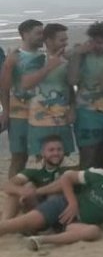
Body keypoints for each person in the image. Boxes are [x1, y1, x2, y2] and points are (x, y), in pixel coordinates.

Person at [0, 150, 103, 252]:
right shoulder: (100, 175)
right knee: (17, 224)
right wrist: (72, 203)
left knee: (94, 231)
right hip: (63, 207)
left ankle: (41, 240)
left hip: (78, 223)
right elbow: (67, 177)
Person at [68, 21, 103, 169]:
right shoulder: (81, 56)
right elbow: (73, 79)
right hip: (86, 113)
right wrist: (77, 54)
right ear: (90, 41)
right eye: (97, 42)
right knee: (88, 155)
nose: (101, 46)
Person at [23, 23, 75, 159]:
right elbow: (26, 84)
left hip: (62, 119)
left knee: (62, 159)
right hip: (40, 121)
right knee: (42, 161)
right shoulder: (37, 59)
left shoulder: (67, 61)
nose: (66, 43)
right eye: (62, 40)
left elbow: (70, 86)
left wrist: (73, 109)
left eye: (66, 40)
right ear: (49, 41)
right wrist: (50, 66)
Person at [1, 19, 44, 178]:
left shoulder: (44, 58)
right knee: (19, 156)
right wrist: (5, 111)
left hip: (41, 113)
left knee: (45, 155)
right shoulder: (14, 57)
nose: (42, 37)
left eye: (43, 33)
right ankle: (12, 196)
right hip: (18, 114)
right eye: (38, 33)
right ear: (25, 34)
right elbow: (4, 87)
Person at [1, 134, 67, 220]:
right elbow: (7, 185)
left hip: (57, 212)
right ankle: (4, 224)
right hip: (35, 210)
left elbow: (60, 185)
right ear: (42, 153)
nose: (56, 153)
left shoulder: (68, 169)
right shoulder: (35, 169)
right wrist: (22, 191)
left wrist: (36, 191)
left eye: (59, 150)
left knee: (54, 194)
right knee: (16, 193)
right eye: (51, 150)